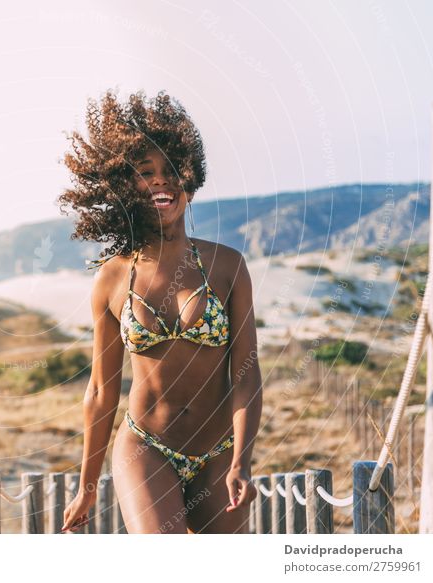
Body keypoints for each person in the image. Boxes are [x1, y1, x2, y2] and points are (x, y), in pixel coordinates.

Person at [57, 90, 262, 534]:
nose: (160, 182)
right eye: (145, 173)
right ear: (123, 185)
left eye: (171, 172)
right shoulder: (111, 279)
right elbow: (99, 391)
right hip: (145, 448)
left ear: (190, 177)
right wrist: (87, 487)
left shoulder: (227, 267)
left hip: (219, 451)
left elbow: (246, 372)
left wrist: (242, 460)